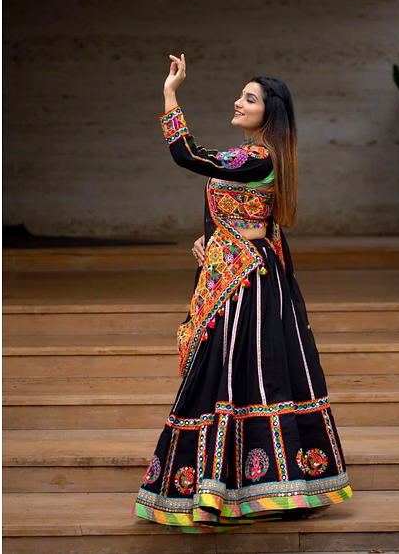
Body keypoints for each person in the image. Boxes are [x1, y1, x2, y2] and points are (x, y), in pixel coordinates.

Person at [131, 53, 353, 532]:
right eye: (241, 96)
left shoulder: (258, 156)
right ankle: (249, 487)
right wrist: (214, 239)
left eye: (249, 98)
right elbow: (253, 218)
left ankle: (244, 489)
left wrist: (170, 93)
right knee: (240, 378)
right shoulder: (257, 157)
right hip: (242, 274)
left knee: (236, 379)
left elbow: (189, 155)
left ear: (270, 112)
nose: (238, 102)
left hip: (247, 283)